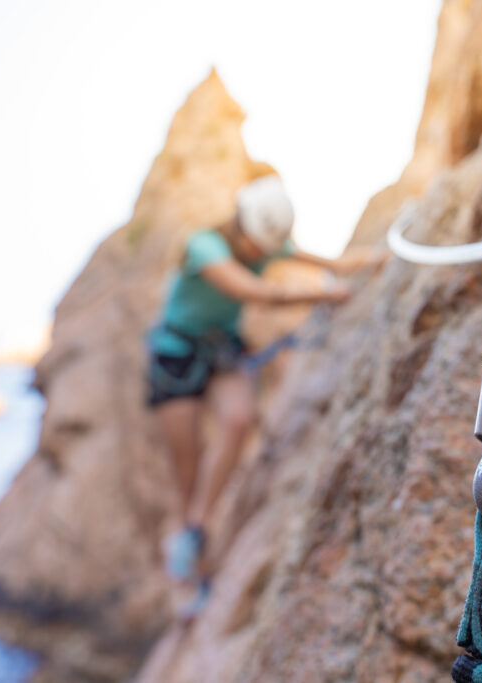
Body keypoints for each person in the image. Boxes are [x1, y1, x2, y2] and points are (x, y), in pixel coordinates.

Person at [146, 175, 377, 615]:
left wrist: (384, 257)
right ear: (240, 223)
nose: (257, 253)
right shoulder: (203, 246)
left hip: (218, 350)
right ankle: (188, 561)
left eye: (262, 248)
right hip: (175, 356)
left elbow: (339, 263)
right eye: (254, 245)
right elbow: (248, 290)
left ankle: (195, 532)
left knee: (238, 419)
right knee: (187, 466)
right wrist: (322, 294)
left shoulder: (267, 245)